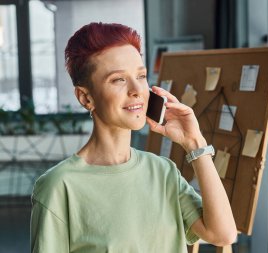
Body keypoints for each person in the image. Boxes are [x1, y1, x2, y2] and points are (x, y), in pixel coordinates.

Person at [30, 22, 236, 253]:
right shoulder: (59, 186)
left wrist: (194, 143)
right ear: (85, 97)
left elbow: (222, 234)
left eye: (141, 75)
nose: (137, 89)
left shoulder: (163, 172)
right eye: (118, 79)